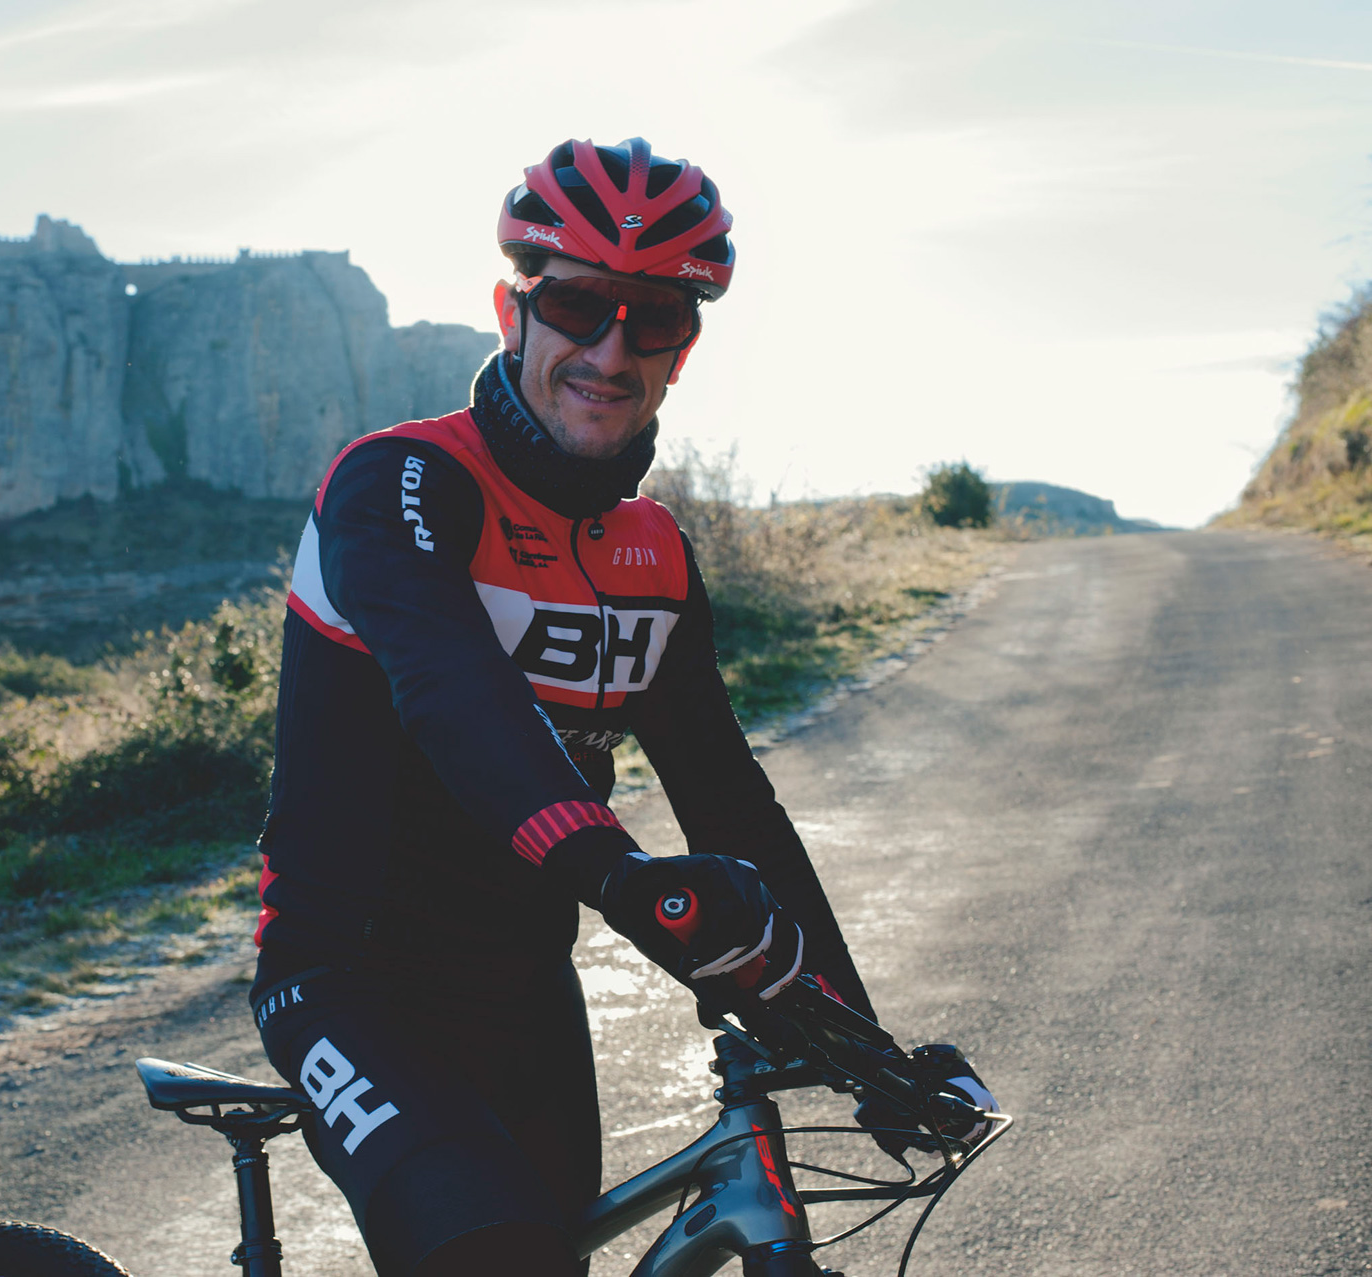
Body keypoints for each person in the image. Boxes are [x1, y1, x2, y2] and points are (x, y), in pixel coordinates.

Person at [248, 137, 935, 1277]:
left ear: (684, 349)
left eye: (652, 318)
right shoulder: (402, 482)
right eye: (576, 304)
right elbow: (457, 700)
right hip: (348, 982)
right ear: (512, 312)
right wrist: (628, 878)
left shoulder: (653, 552)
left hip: (524, 987)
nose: (610, 350)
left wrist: (869, 1050)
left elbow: (731, 804)